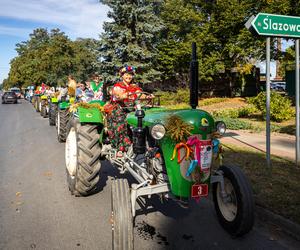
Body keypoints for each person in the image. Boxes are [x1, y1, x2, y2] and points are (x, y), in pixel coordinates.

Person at [106, 65, 143, 156]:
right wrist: (125, 95)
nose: (129, 77)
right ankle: (120, 148)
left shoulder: (134, 86)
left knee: (142, 119)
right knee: (120, 122)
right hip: (118, 108)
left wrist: (148, 96)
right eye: (126, 74)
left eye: (130, 75)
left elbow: (140, 95)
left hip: (131, 109)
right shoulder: (118, 86)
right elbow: (118, 95)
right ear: (122, 75)